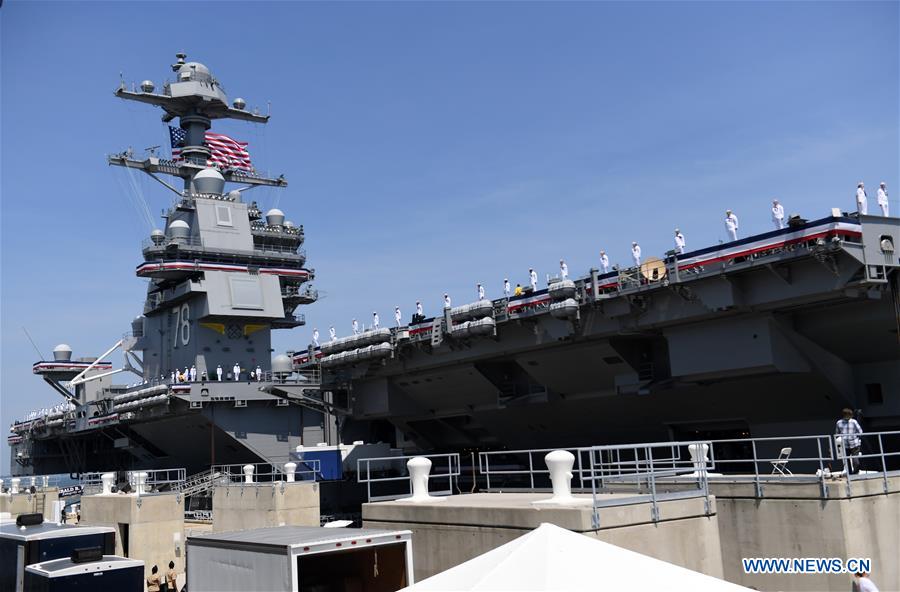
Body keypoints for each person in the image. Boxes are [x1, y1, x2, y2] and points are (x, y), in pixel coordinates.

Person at [835, 408, 863, 475]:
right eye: (849, 415)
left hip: (854, 444)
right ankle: (850, 473)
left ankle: (856, 472)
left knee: (855, 460)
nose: (850, 416)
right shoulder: (839, 423)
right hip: (845, 444)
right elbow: (837, 433)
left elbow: (860, 431)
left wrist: (855, 436)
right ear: (844, 415)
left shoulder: (854, 422)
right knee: (846, 460)